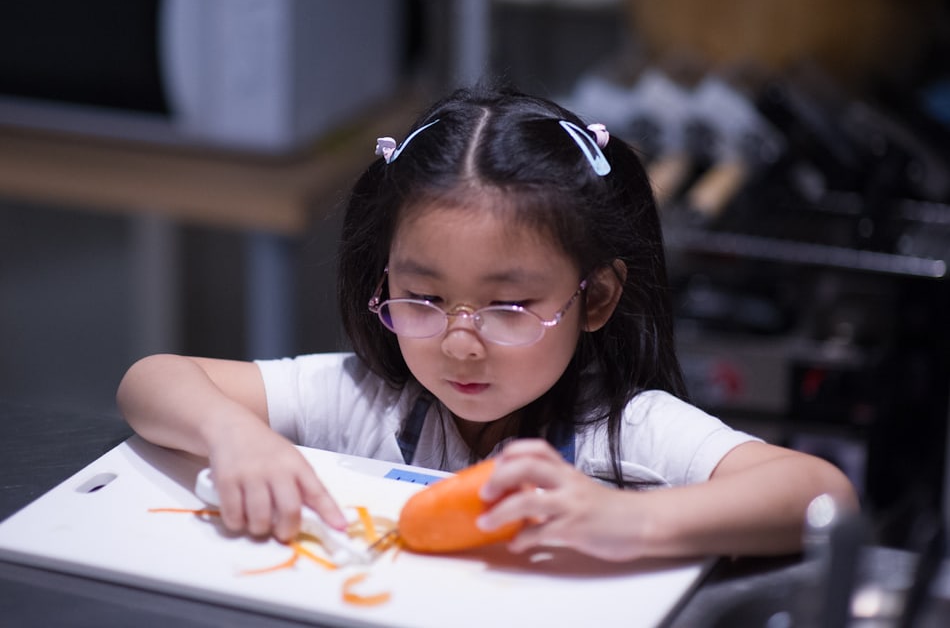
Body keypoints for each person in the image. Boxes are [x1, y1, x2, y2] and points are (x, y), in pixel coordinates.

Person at [117, 85, 857, 562]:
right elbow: (152, 380)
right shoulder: (369, 399)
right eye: (423, 298)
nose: (460, 343)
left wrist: (630, 520)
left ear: (596, 299)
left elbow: (824, 494)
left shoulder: (625, 432)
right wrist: (236, 436)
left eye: (509, 307)